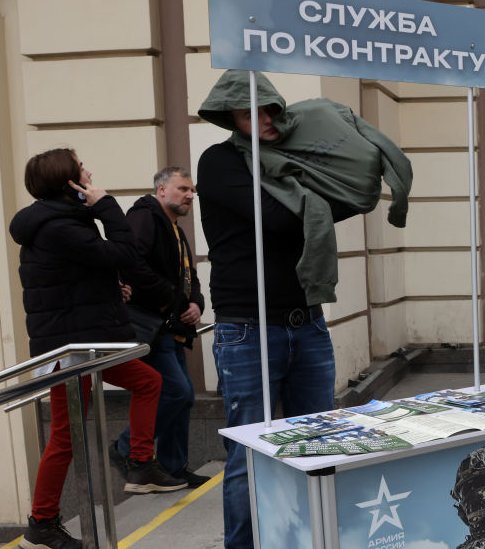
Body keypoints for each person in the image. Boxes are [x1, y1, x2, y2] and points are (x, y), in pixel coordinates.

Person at [10, 148, 186, 549]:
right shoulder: (58, 227)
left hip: (89, 341)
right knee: (65, 436)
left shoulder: (63, 223)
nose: (89, 173)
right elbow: (125, 253)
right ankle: (42, 522)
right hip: (70, 349)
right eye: (82, 169)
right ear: (68, 181)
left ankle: (140, 463)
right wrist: (106, 204)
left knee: (148, 382)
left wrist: (110, 289)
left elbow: (79, 276)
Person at [196, 72, 337, 549]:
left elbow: (351, 199)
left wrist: (326, 194)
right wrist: (326, 195)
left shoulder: (289, 161)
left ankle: (310, 538)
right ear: (229, 117)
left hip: (308, 322)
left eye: (267, 109)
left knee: (318, 445)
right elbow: (276, 218)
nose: (260, 120)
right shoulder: (218, 162)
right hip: (247, 330)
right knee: (248, 457)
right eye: (246, 112)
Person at [110, 167, 210, 488]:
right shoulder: (145, 218)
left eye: (192, 190)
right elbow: (132, 265)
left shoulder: (175, 229)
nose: (190, 195)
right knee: (177, 392)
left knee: (183, 397)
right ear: (162, 190)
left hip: (171, 325)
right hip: (151, 326)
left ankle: (173, 467)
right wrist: (174, 299)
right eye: (183, 189)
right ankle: (126, 449)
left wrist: (195, 302)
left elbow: (189, 276)